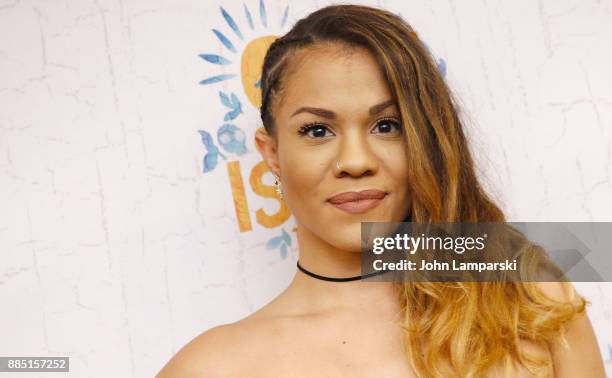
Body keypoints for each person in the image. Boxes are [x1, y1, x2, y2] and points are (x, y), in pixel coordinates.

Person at [157, 4, 606, 377]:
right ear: (272, 154)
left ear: (426, 139)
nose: (355, 161)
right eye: (317, 130)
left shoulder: (529, 300)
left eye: (387, 125)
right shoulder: (212, 367)